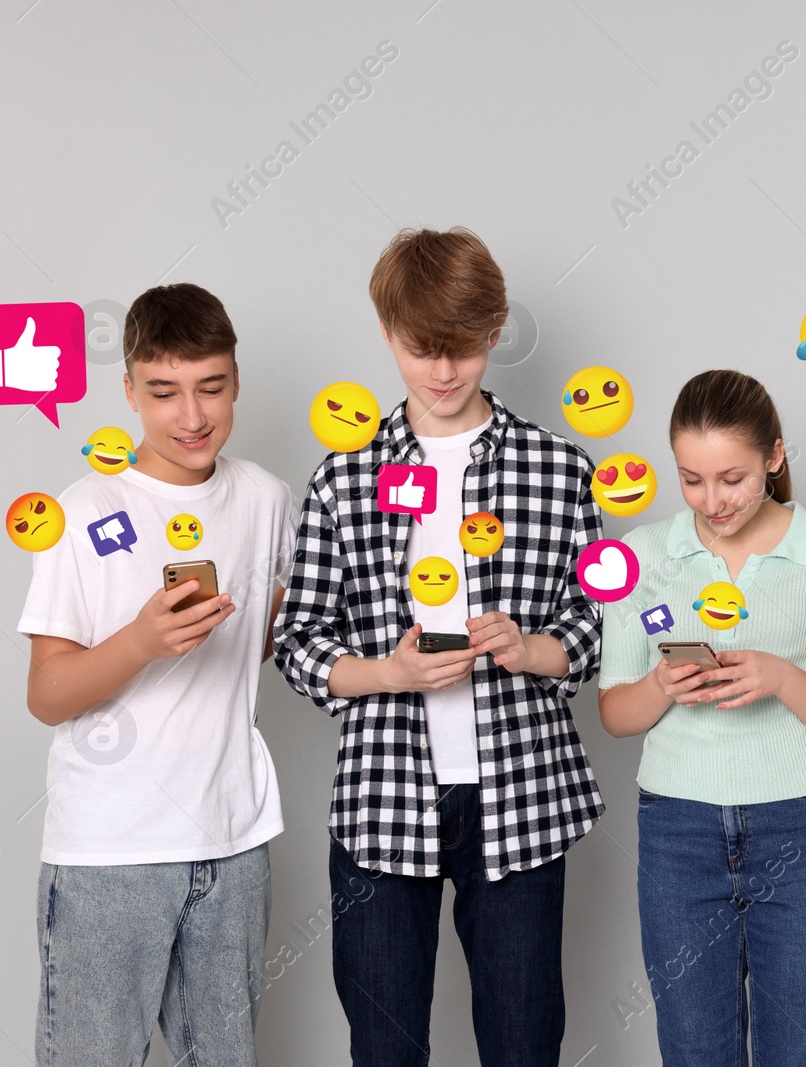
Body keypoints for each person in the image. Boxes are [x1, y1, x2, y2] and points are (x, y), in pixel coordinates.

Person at [272, 227, 605, 1067]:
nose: (444, 371)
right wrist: (390, 670)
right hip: (384, 802)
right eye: (423, 349)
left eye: (462, 347)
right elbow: (298, 639)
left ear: (493, 332)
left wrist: (530, 648)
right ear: (387, 334)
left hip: (524, 799)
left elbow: (598, 629)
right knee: (385, 1050)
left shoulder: (559, 467)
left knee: (524, 1045)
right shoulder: (344, 477)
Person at [20, 283, 295, 1066]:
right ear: (130, 392)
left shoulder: (268, 498)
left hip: (234, 840)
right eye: (164, 392)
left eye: (211, 386)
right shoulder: (79, 511)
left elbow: (267, 639)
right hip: (110, 851)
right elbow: (45, 693)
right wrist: (141, 639)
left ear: (236, 379)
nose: (193, 415)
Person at [597, 369, 806, 1066]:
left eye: (732, 478)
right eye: (692, 480)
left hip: (800, 828)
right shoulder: (642, 555)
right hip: (677, 829)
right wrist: (662, 683)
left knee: (803, 1049)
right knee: (695, 1052)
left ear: (775, 457)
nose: (712, 501)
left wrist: (779, 676)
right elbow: (615, 712)